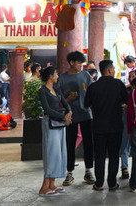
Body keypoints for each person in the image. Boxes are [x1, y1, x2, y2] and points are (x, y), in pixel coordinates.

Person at [84, 59, 128, 191]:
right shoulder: (118, 84)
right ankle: (112, 183)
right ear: (109, 70)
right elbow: (126, 101)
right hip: (115, 126)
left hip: (98, 127)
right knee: (114, 155)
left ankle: (98, 183)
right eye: (113, 69)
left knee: (99, 155)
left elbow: (86, 104)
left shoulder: (93, 87)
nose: (114, 71)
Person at [58, 51, 95, 186]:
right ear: (72, 63)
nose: (81, 65)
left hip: (86, 114)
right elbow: (59, 101)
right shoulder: (62, 79)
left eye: (82, 62)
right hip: (70, 115)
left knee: (89, 144)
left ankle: (88, 171)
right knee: (70, 143)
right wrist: (68, 99)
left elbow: (91, 93)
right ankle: (69, 173)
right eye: (79, 62)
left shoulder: (85, 75)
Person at [37, 66, 71, 197]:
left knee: (60, 152)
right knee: (51, 153)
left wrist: (69, 112)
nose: (58, 76)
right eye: (56, 74)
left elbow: (65, 102)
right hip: (50, 123)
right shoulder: (43, 91)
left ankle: (52, 184)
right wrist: (63, 115)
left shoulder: (56, 89)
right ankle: (44, 186)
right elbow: (47, 109)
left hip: (60, 123)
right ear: (50, 76)